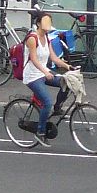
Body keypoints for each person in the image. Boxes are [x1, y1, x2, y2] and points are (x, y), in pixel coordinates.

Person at [20, 11, 73, 143]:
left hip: (43, 73)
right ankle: (40, 131)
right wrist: (45, 71)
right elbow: (34, 59)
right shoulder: (32, 38)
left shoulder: (47, 38)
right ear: (38, 23)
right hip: (32, 76)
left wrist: (68, 67)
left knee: (67, 83)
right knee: (47, 102)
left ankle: (57, 107)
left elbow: (54, 57)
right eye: (45, 21)